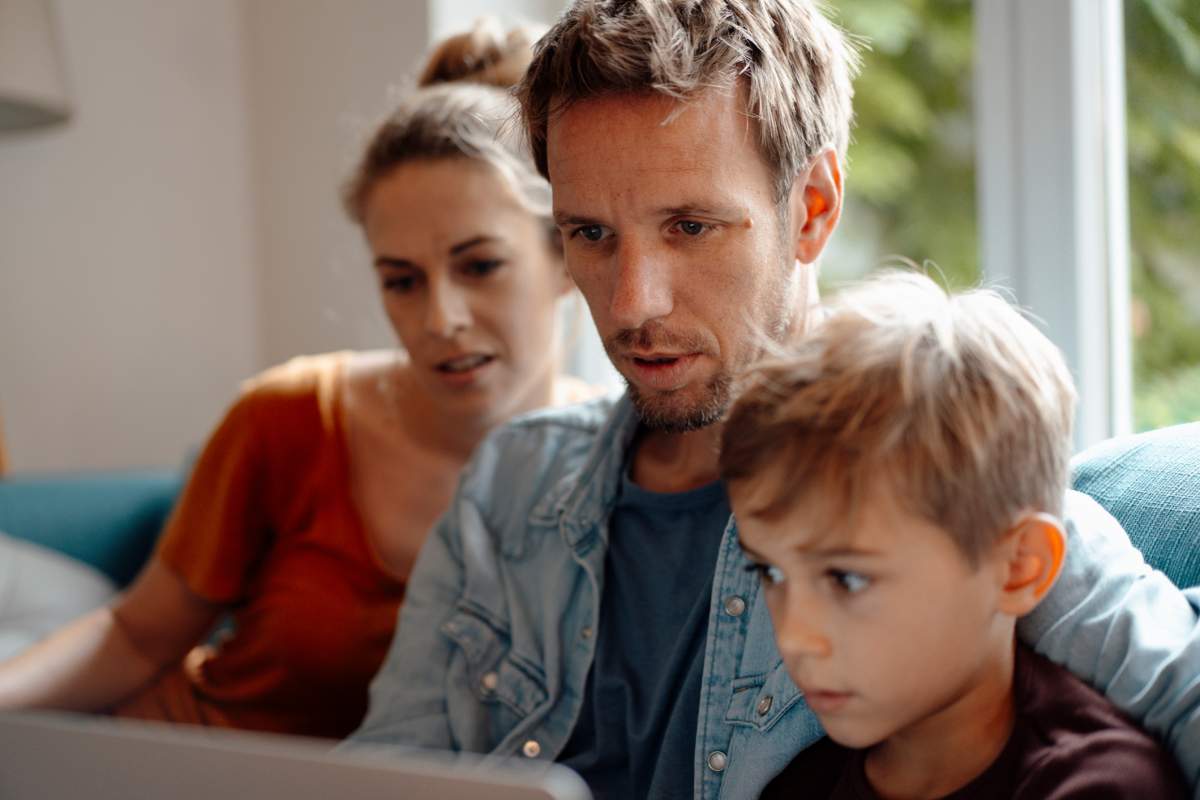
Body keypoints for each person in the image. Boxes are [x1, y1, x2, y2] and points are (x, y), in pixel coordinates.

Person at [350, 1, 1200, 797]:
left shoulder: (939, 461)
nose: (631, 302)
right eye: (592, 235)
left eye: (690, 226)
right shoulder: (510, 485)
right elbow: (382, 770)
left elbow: (1182, 690)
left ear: (813, 210)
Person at [0, 20, 591, 739]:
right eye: (401, 281)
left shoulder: (625, 461)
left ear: (567, 259)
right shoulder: (288, 416)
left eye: (480, 266)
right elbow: (136, 635)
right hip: (192, 765)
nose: (440, 317)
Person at [720, 271, 1187, 799]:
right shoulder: (799, 787)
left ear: (1019, 566)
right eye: (771, 571)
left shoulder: (1100, 786)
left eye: (846, 578)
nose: (794, 637)